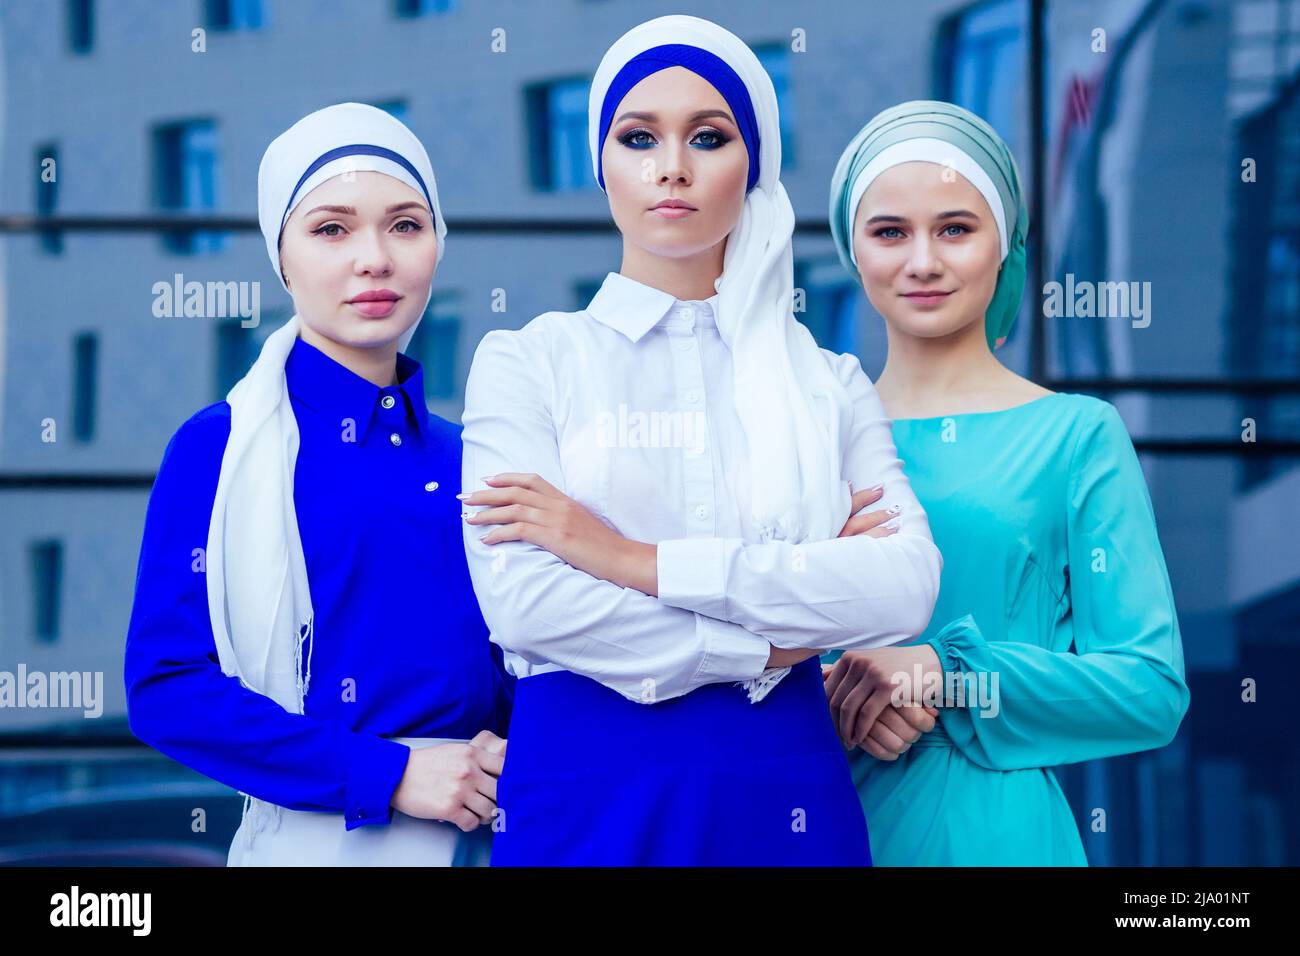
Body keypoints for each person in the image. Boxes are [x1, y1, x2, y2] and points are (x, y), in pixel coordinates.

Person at [458, 16, 940, 866]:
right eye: (638, 136)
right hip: (588, 786)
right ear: (600, 164)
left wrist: (621, 555)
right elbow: (527, 606)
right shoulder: (528, 362)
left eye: (709, 137)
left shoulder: (826, 383)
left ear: (753, 167)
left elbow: (901, 586)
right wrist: (774, 639)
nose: (672, 166)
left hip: (784, 783)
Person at [124, 103, 513, 866]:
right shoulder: (221, 449)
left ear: (438, 246)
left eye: (405, 225)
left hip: (498, 838)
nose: (374, 258)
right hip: (316, 844)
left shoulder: (476, 456)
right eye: (331, 229)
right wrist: (389, 772)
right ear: (283, 258)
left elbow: (527, 660)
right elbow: (168, 688)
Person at [822, 100, 1190, 865]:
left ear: (1004, 245)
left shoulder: (1076, 436)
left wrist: (945, 676)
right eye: (890, 231)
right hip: (818, 822)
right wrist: (829, 697)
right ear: (852, 250)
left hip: (993, 836)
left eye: (955, 228)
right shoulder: (804, 436)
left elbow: (1149, 690)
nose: (922, 260)